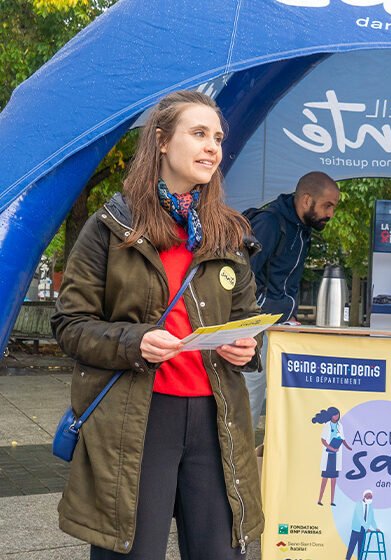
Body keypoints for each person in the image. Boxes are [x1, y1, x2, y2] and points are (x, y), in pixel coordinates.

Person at [50, 91, 263, 558]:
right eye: (199, 134)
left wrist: (248, 348)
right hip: (136, 418)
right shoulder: (111, 225)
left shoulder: (231, 232)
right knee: (134, 550)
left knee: (222, 551)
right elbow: (70, 325)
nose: (213, 147)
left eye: (218, 138)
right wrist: (135, 341)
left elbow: (247, 319)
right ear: (162, 141)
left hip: (217, 418)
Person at [243, 172, 340, 429]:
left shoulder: (302, 229)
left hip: (281, 328)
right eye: (327, 205)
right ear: (307, 200)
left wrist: (289, 313)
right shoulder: (270, 223)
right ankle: (241, 464)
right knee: (250, 398)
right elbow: (243, 276)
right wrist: (256, 319)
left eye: (334, 207)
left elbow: (285, 280)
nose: (331, 214)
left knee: (283, 398)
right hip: (256, 329)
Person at [312, 406, 352, 506]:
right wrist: (331, 448)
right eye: (335, 414)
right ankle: (320, 500)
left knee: (334, 479)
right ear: (331, 416)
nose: (337, 416)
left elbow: (342, 439)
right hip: (328, 454)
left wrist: (348, 447)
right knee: (325, 479)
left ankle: (332, 501)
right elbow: (323, 440)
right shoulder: (327, 426)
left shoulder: (340, 426)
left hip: (336, 455)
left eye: (338, 414)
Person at [346, 490, 379, 560]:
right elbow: (360, 517)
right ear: (364, 497)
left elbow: (371, 518)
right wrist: (367, 527)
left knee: (361, 547)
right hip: (356, 528)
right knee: (352, 546)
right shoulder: (358, 504)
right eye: (368, 497)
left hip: (363, 529)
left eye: (371, 497)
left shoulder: (370, 506)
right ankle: (347, 558)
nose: (370, 499)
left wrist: (376, 528)